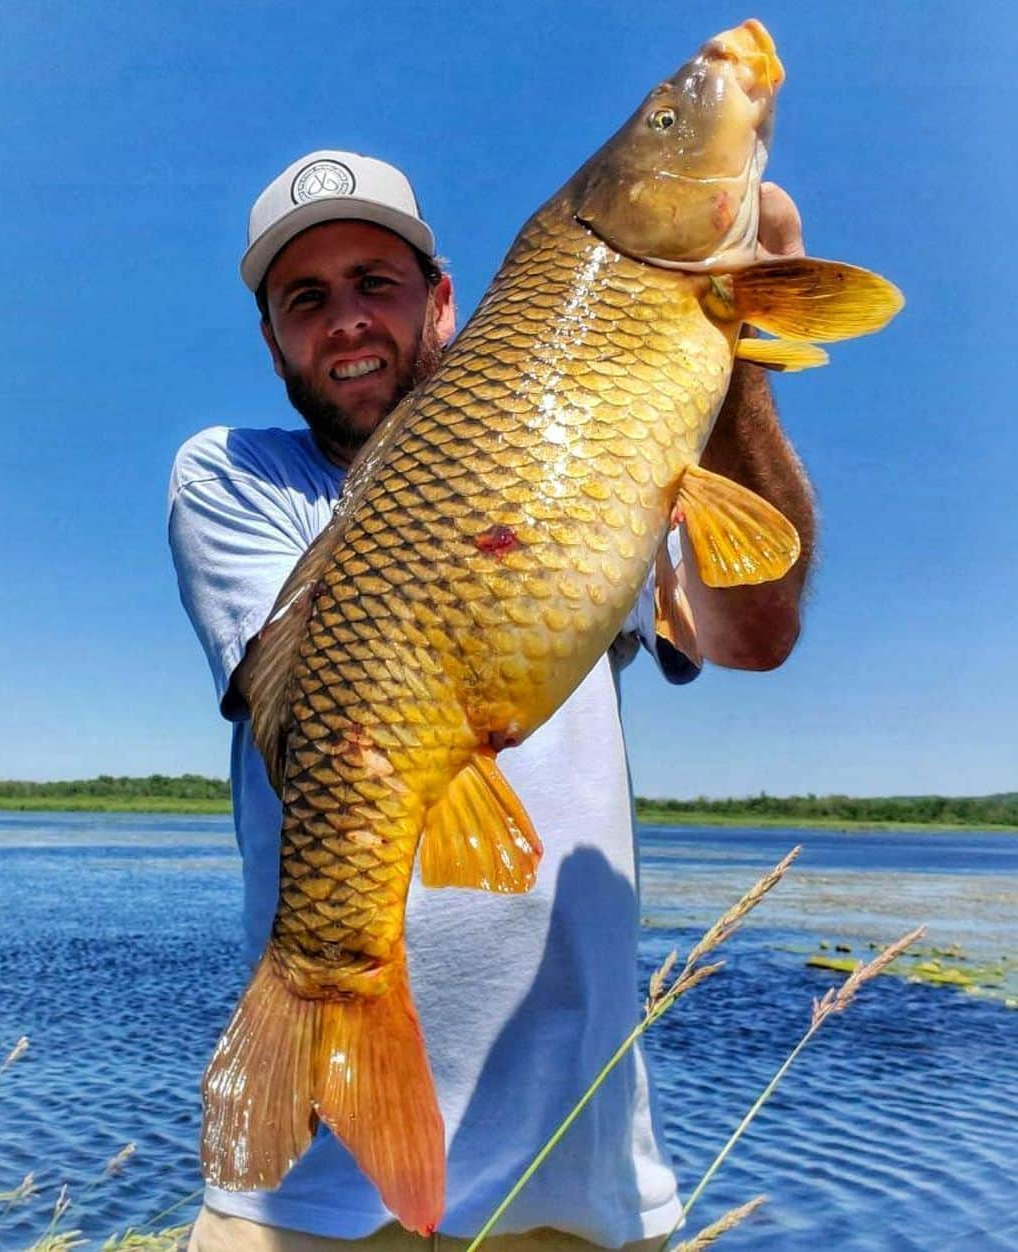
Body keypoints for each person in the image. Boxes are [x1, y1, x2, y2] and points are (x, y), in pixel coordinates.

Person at [169, 149, 813, 1252]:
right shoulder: (233, 475)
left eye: (376, 281)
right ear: (274, 337)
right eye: (306, 300)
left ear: (444, 299)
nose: (347, 322)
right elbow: (335, 695)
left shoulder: (585, 439)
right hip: (307, 1197)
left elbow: (757, 632)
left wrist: (729, 343)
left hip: (578, 1170)